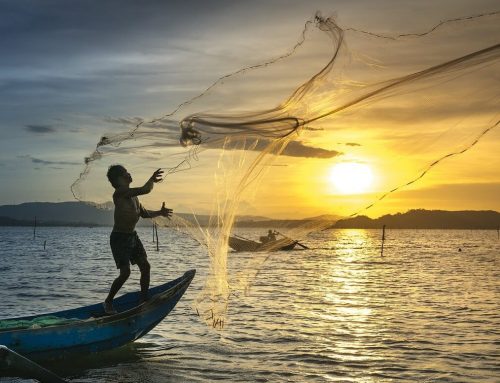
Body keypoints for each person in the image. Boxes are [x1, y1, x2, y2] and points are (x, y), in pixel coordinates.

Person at [103, 165, 173, 315]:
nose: (129, 174)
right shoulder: (120, 193)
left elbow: (144, 214)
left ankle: (143, 299)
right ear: (118, 180)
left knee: (145, 267)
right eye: (125, 174)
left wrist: (160, 212)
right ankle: (108, 302)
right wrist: (152, 179)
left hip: (132, 236)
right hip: (119, 238)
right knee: (125, 273)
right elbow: (145, 189)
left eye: (128, 172)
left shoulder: (134, 196)